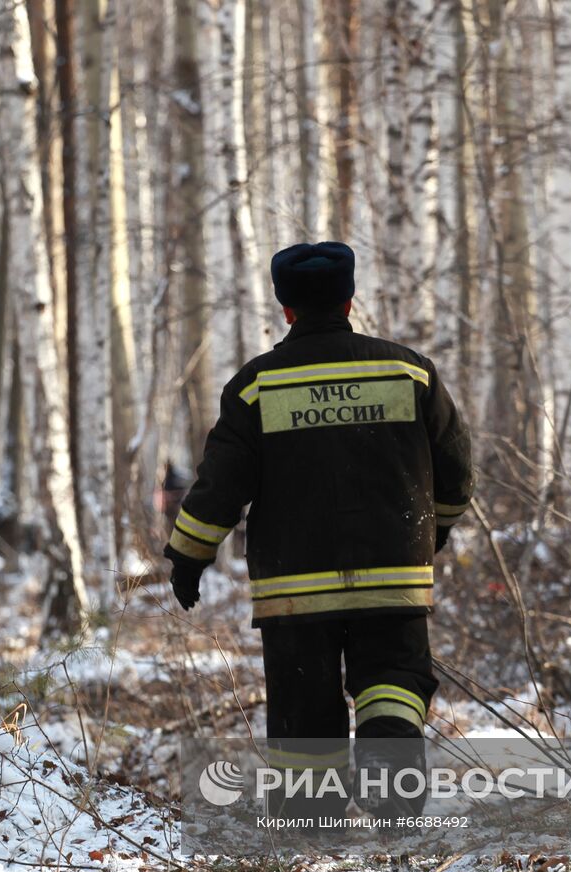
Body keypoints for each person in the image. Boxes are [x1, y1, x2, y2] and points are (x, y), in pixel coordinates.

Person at [163, 241, 474, 821]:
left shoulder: (256, 387)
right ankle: (393, 796)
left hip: (294, 588)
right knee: (394, 681)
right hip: (393, 575)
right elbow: (456, 470)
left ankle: (314, 823)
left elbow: (220, 487)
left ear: (286, 309)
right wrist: (436, 529)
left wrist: (187, 555)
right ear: (350, 299)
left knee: (304, 701)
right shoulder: (408, 372)